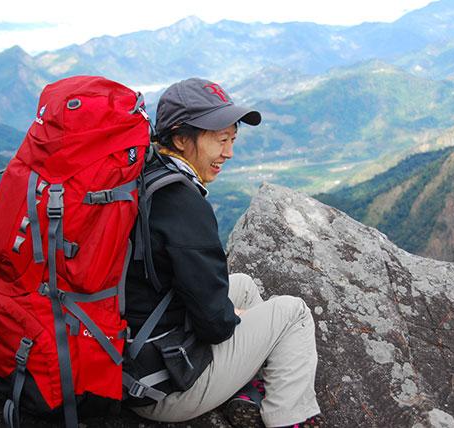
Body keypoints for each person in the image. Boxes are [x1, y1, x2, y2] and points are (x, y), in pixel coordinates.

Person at [124, 77, 322, 427]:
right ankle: (289, 418)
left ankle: (246, 388)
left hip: (134, 357)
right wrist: (233, 316)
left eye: (232, 139)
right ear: (182, 138)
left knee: (242, 283)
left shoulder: (146, 173)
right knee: (294, 313)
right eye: (220, 140)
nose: (228, 152)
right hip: (163, 389)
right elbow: (216, 326)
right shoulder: (183, 204)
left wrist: (232, 311)